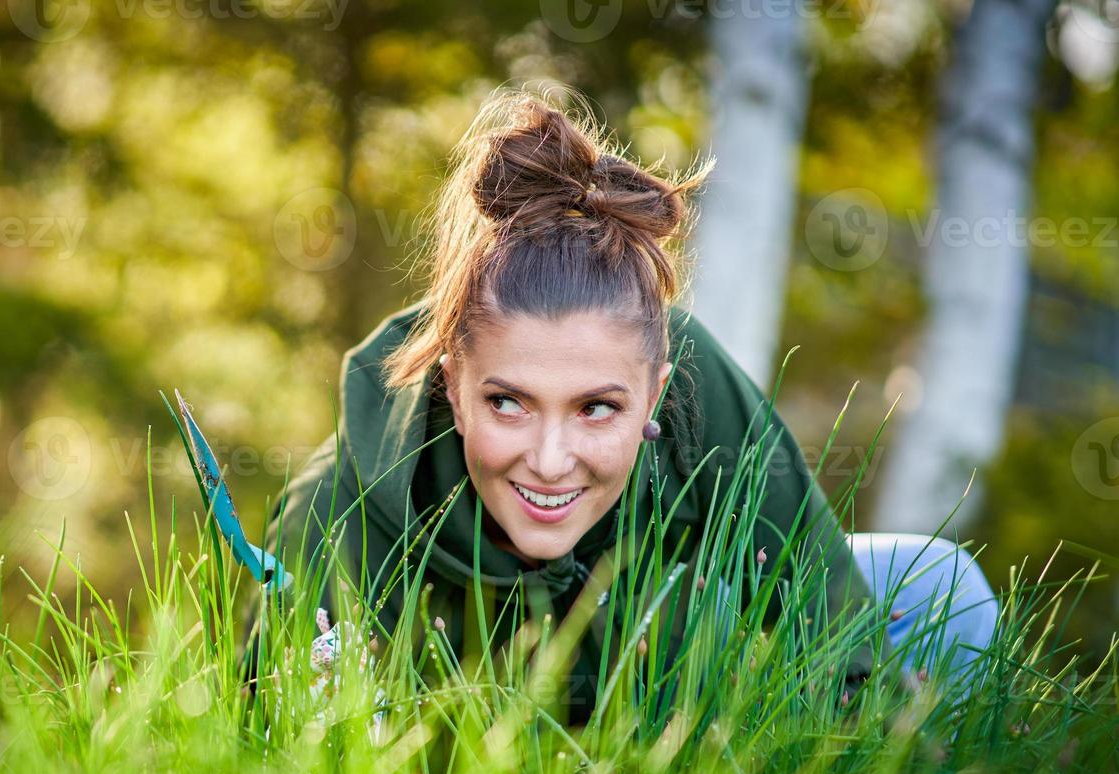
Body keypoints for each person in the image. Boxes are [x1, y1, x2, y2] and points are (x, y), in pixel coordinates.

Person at [251, 89, 996, 722]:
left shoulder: (698, 388)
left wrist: (895, 751)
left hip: (664, 712)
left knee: (941, 585)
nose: (547, 461)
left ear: (658, 393)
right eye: (507, 403)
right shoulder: (339, 514)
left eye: (596, 410)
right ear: (452, 385)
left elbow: (831, 611)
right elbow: (281, 767)